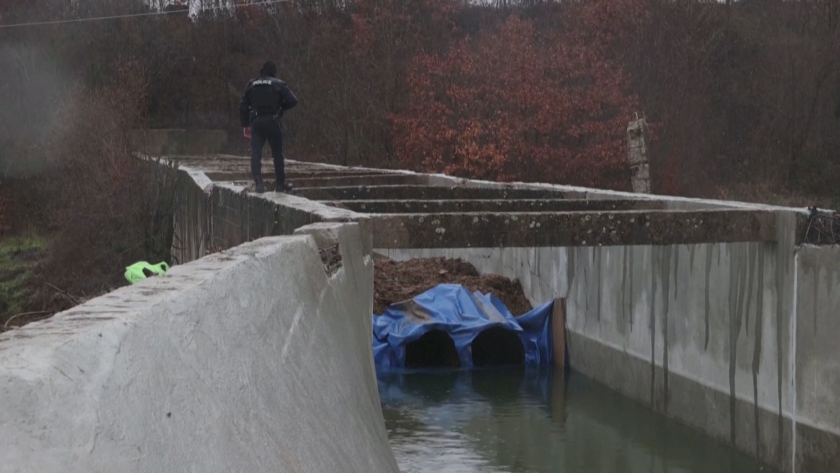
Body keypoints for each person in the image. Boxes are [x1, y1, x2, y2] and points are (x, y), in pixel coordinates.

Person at [238, 61, 298, 193]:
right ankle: (280, 185)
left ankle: (259, 183)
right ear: (273, 71)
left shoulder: (252, 84)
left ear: (262, 71)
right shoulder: (279, 83)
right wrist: (281, 109)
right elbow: (293, 101)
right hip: (272, 121)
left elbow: (243, 106)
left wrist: (245, 125)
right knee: (277, 154)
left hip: (256, 122)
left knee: (256, 154)